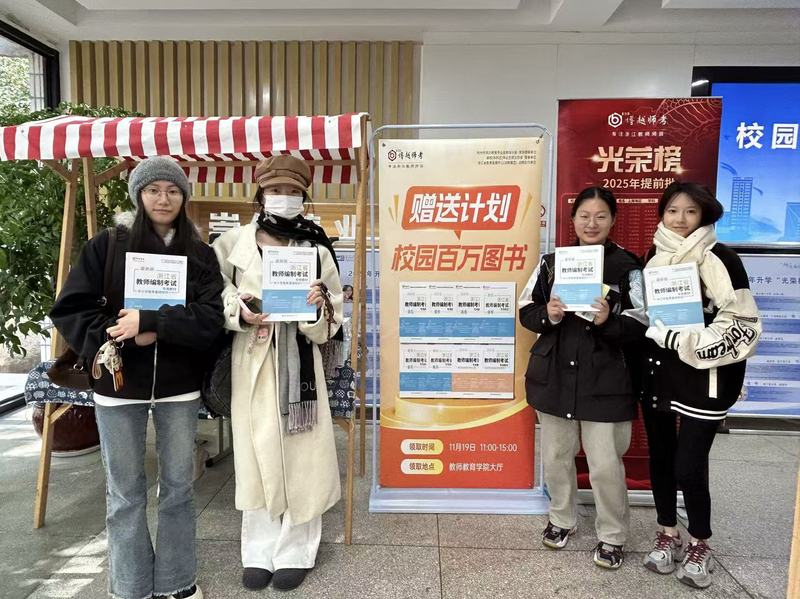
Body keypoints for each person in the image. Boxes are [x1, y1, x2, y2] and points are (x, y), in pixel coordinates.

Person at [50, 156, 224, 599]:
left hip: (179, 387)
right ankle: (130, 587)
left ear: (184, 197)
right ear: (138, 195)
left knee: (179, 488)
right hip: (118, 385)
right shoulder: (108, 245)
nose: (163, 199)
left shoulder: (200, 254)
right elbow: (70, 310)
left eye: (172, 190)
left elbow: (210, 319)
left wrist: (152, 324)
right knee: (125, 493)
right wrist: (115, 334)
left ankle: (177, 582)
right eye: (153, 190)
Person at [212, 155, 343, 592]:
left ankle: (296, 550)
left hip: (299, 363)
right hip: (251, 357)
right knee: (256, 452)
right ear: (261, 194)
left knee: (301, 455)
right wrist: (239, 310)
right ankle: (258, 550)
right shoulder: (231, 244)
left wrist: (316, 309)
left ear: (304, 196)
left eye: (292, 192)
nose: (283, 198)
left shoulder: (316, 249)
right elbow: (212, 295)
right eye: (275, 190)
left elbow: (334, 317)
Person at [639, 182, 761, 589]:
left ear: (705, 215)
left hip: (705, 378)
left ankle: (700, 542)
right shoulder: (653, 256)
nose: (680, 219)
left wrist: (682, 339)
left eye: (690, 211)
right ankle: (667, 532)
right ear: (662, 213)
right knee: (661, 458)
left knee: (689, 466)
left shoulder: (722, 258)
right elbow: (647, 312)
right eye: (672, 210)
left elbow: (742, 324)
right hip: (659, 373)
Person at [519, 186, 646, 570]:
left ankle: (613, 535)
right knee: (556, 456)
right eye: (584, 216)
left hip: (606, 381)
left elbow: (643, 322)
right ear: (572, 220)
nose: (592, 224)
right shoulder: (551, 263)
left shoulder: (628, 267)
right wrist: (550, 314)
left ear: (613, 220)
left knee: (605, 463)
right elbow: (526, 310)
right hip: (555, 376)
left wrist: (609, 321)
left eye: (600, 216)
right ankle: (561, 519)